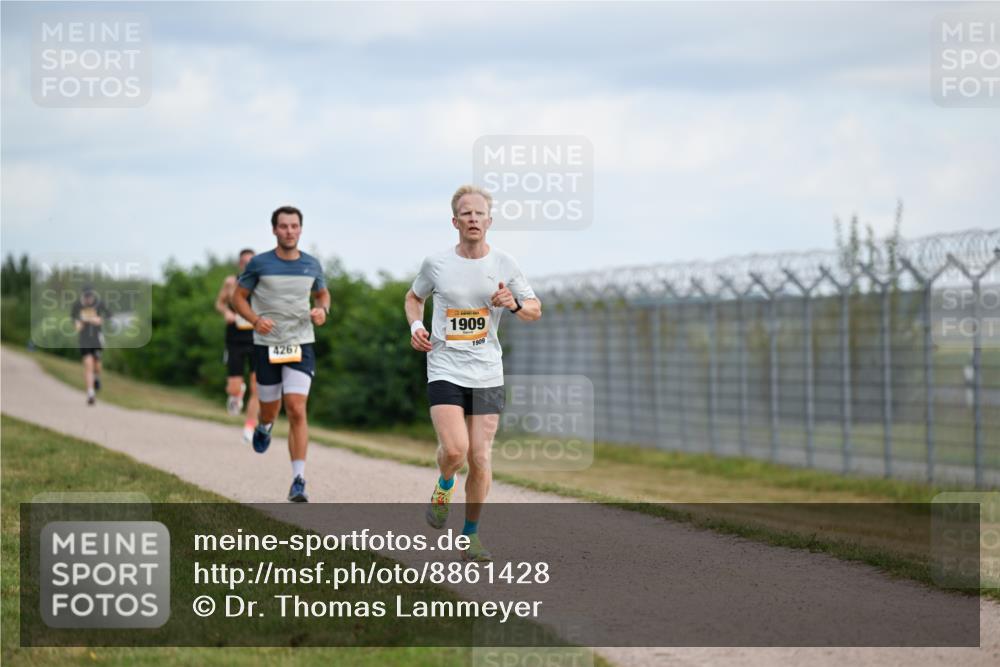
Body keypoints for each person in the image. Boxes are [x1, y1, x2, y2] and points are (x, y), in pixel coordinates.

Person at [405, 185, 542, 561]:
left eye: (480, 213)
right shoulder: (437, 264)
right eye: (466, 213)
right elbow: (414, 297)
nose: (473, 219)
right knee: (455, 450)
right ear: (455, 221)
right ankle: (445, 483)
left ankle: (470, 535)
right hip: (445, 365)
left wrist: (513, 303)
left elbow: (534, 309)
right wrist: (417, 328)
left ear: (490, 221)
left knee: (480, 457)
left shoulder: (505, 264)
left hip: (487, 372)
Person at [231, 206, 329, 503]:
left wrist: (322, 310)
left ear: (301, 229)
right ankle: (264, 426)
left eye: (294, 226)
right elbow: (238, 297)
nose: (289, 231)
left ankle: (298, 480)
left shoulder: (312, 264)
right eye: (283, 226)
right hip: (267, 346)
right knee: (270, 409)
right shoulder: (260, 263)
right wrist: (255, 320)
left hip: (301, 343)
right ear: (274, 230)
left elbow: (322, 294)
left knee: (297, 408)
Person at [215, 248, 260, 443]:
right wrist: (226, 312)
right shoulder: (231, 282)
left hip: (258, 339)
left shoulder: (262, 284)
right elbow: (219, 303)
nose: (247, 264)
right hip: (234, 339)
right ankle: (237, 392)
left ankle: (250, 427)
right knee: (233, 387)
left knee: (257, 387)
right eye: (244, 261)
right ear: (239, 263)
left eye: (251, 261)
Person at [71, 286, 111, 406]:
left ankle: (97, 378)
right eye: (86, 296)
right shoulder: (77, 307)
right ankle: (90, 393)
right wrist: (82, 322)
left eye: (90, 296)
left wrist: (98, 319)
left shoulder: (99, 304)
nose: (88, 299)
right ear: (83, 296)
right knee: (88, 365)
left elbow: (109, 315)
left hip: (96, 339)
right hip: (84, 340)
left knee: (97, 366)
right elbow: (76, 326)